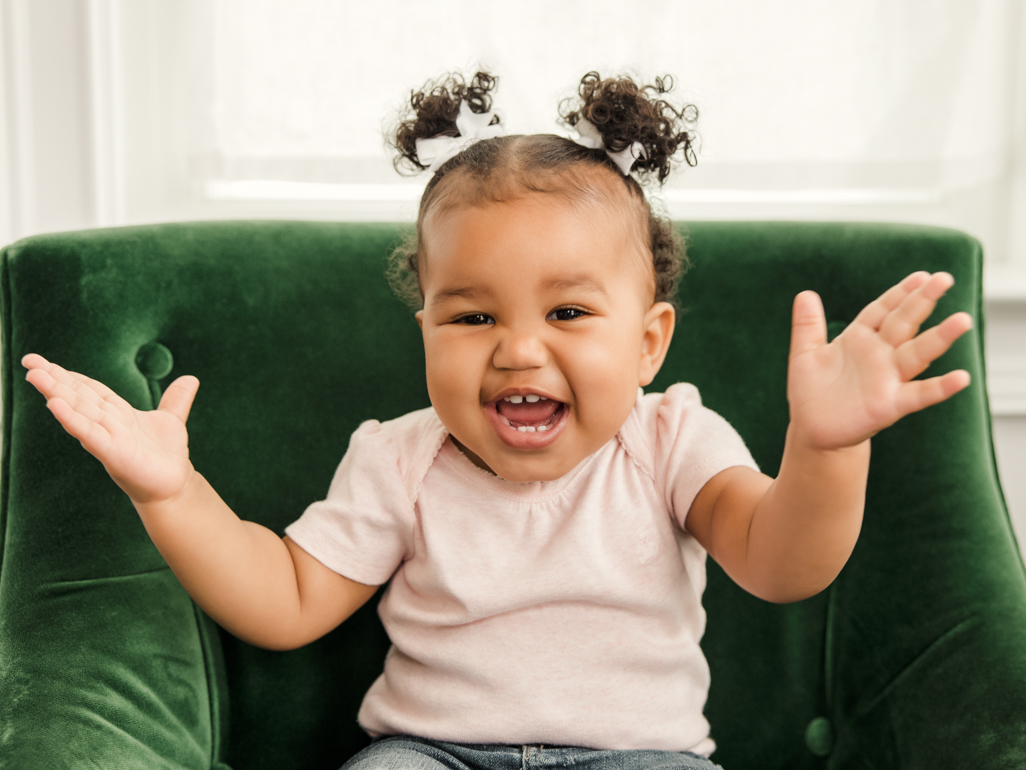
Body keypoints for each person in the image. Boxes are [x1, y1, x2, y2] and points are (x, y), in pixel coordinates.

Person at [22, 71, 974, 770]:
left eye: (567, 314)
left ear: (649, 344)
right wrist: (171, 491)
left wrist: (826, 444)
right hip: (430, 753)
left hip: (641, 758)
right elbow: (284, 603)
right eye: (473, 317)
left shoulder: (673, 438)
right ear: (426, 327)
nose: (518, 351)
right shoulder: (400, 458)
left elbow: (781, 563)